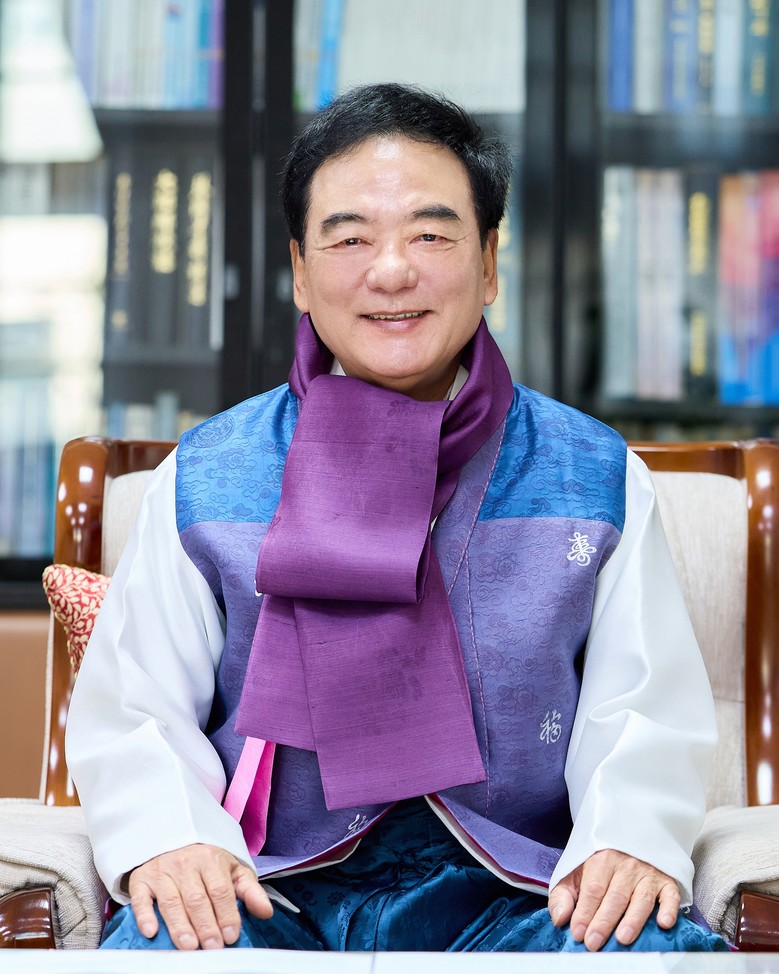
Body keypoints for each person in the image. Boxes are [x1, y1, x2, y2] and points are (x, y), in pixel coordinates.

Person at [66, 83, 727, 954]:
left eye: (430, 234)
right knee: (159, 948)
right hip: (266, 893)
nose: (389, 271)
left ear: (488, 262)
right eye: (349, 238)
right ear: (300, 272)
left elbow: (642, 707)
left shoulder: (594, 474)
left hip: (522, 893)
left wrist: (625, 842)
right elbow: (137, 706)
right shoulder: (207, 475)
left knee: (647, 949)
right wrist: (172, 837)